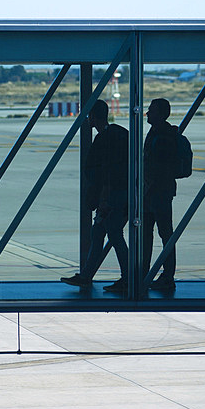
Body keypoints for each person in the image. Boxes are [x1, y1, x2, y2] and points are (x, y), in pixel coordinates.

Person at [60, 100, 129, 293]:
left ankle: (128, 277)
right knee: (98, 233)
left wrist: (104, 200)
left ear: (92, 117)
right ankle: (86, 276)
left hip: (112, 197)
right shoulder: (119, 134)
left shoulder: (105, 139)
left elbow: (108, 172)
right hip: (115, 195)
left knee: (114, 235)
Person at [142, 98, 179, 291]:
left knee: (164, 234)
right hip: (154, 192)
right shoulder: (157, 132)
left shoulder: (163, 136)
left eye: (151, 110)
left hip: (158, 192)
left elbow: (159, 168)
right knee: (150, 234)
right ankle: (148, 272)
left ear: (161, 114)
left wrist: (148, 187)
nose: (147, 113)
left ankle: (166, 275)